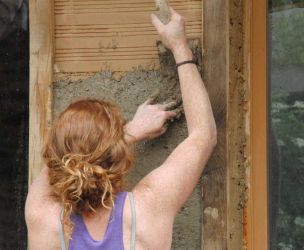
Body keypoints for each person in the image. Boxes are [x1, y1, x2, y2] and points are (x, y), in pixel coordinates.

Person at [25, 7, 217, 250]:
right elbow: (204, 136)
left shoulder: (43, 219)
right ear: (116, 153)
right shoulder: (148, 207)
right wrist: (180, 47)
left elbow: (56, 163)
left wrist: (126, 135)